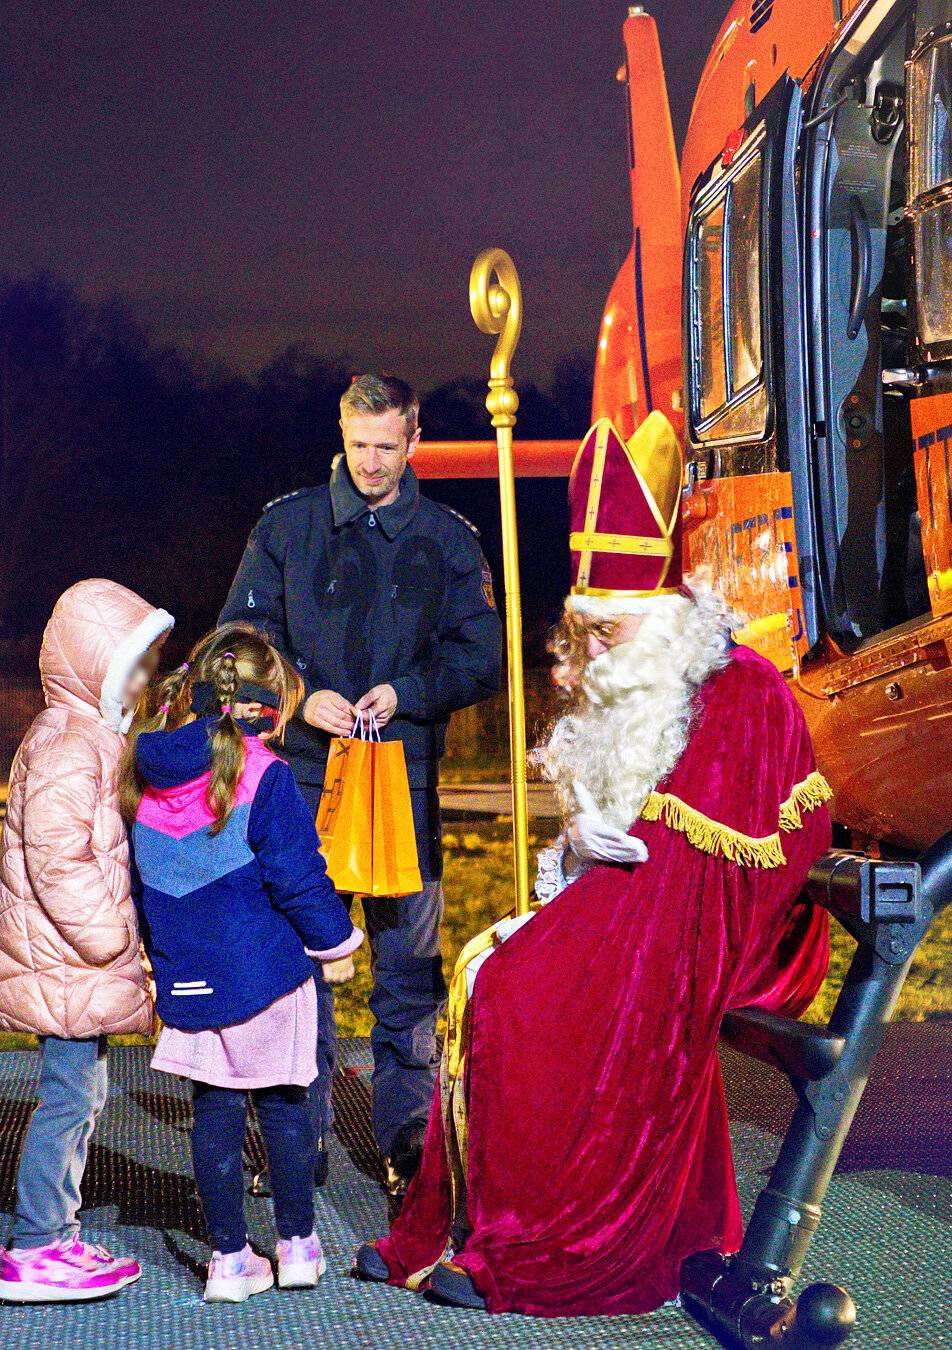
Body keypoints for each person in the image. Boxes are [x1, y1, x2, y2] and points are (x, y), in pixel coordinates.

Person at [353, 412, 833, 1316]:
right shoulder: (637, 684)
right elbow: (618, 835)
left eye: (609, 636)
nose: (592, 661)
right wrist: (576, 850)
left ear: (659, 623)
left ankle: (545, 1233)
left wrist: (638, 856)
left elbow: (741, 863)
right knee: (486, 973)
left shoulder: (737, 692)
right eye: (590, 636)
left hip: (692, 935)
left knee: (517, 994)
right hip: (625, 907)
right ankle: (464, 1225)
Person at [220, 373, 502, 1193]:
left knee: (409, 974)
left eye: (387, 446)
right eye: (359, 446)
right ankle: (289, 1140)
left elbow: (483, 656)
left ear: (414, 440)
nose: (373, 463)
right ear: (340, 438)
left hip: (405, 790)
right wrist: (304, 697)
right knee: (295, 966)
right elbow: (239, 642)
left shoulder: (449, 539)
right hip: (300, 790)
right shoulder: (287, 527)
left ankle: (409, 1141)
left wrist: (406, 693)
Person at [121, 623, 364, 1303]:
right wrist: (337, 943)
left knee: (215, 1116)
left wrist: (157, 958)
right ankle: (297, 1248)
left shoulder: (145, 778)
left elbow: (143, 884)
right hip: (269, 977)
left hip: (188, 977)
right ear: (273, 702)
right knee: (286, 1107)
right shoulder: (268, 775)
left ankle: (229, 1260)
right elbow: (297, 876)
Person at [0, 578, 175, 1303]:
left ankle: (51, 1234)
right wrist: (112, 942)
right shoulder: (72, 743)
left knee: (82, 1094)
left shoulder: (86, 734)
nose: (144, 681)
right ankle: (37, 1246)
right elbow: (56, 855)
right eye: (133, 666)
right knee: (69, 1100)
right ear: (94, 664)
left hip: (67, 962)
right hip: (68, 961)